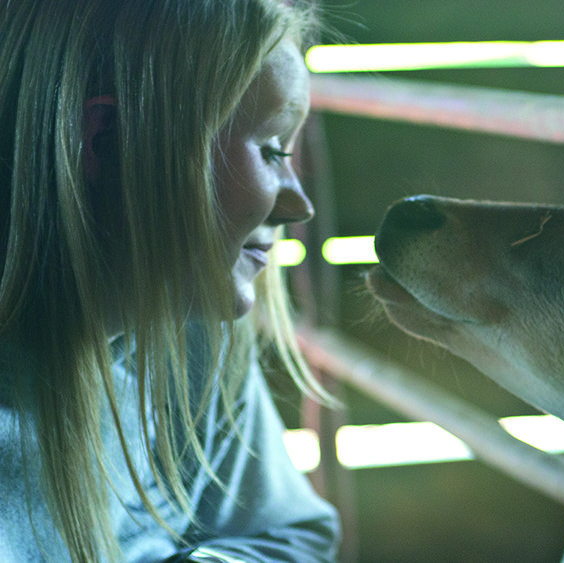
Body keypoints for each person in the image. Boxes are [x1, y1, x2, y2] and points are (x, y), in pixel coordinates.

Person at [0, 0, 340, 561]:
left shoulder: (195, 334)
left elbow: (293, 534)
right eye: (272, 149)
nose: (298, 206)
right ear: (105, 140)